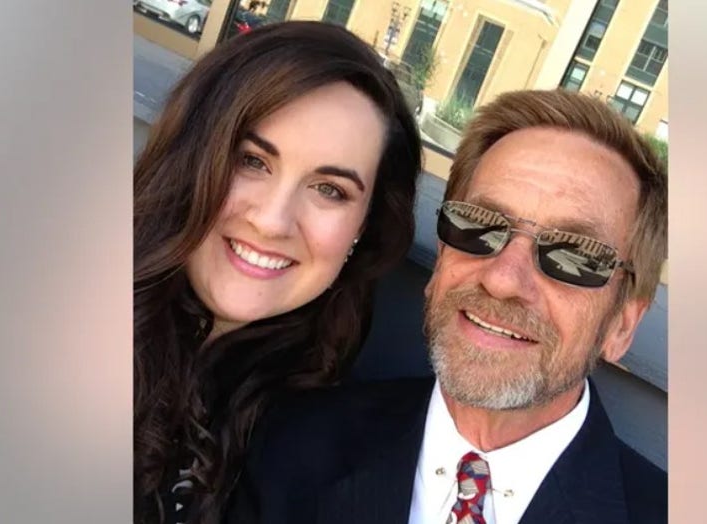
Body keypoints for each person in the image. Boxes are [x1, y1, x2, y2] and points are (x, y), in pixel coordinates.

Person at [225, 89, 668, 523]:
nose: (502, 280)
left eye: (573, 256)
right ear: (441, 259)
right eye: (478, 225)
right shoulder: (294, 443)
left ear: (622, 325)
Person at [133, 21, 422, 524]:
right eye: (252, 161)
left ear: (364, 227)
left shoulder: (326, 446)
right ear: (192, 156)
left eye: (329, 190)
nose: (271, 221)